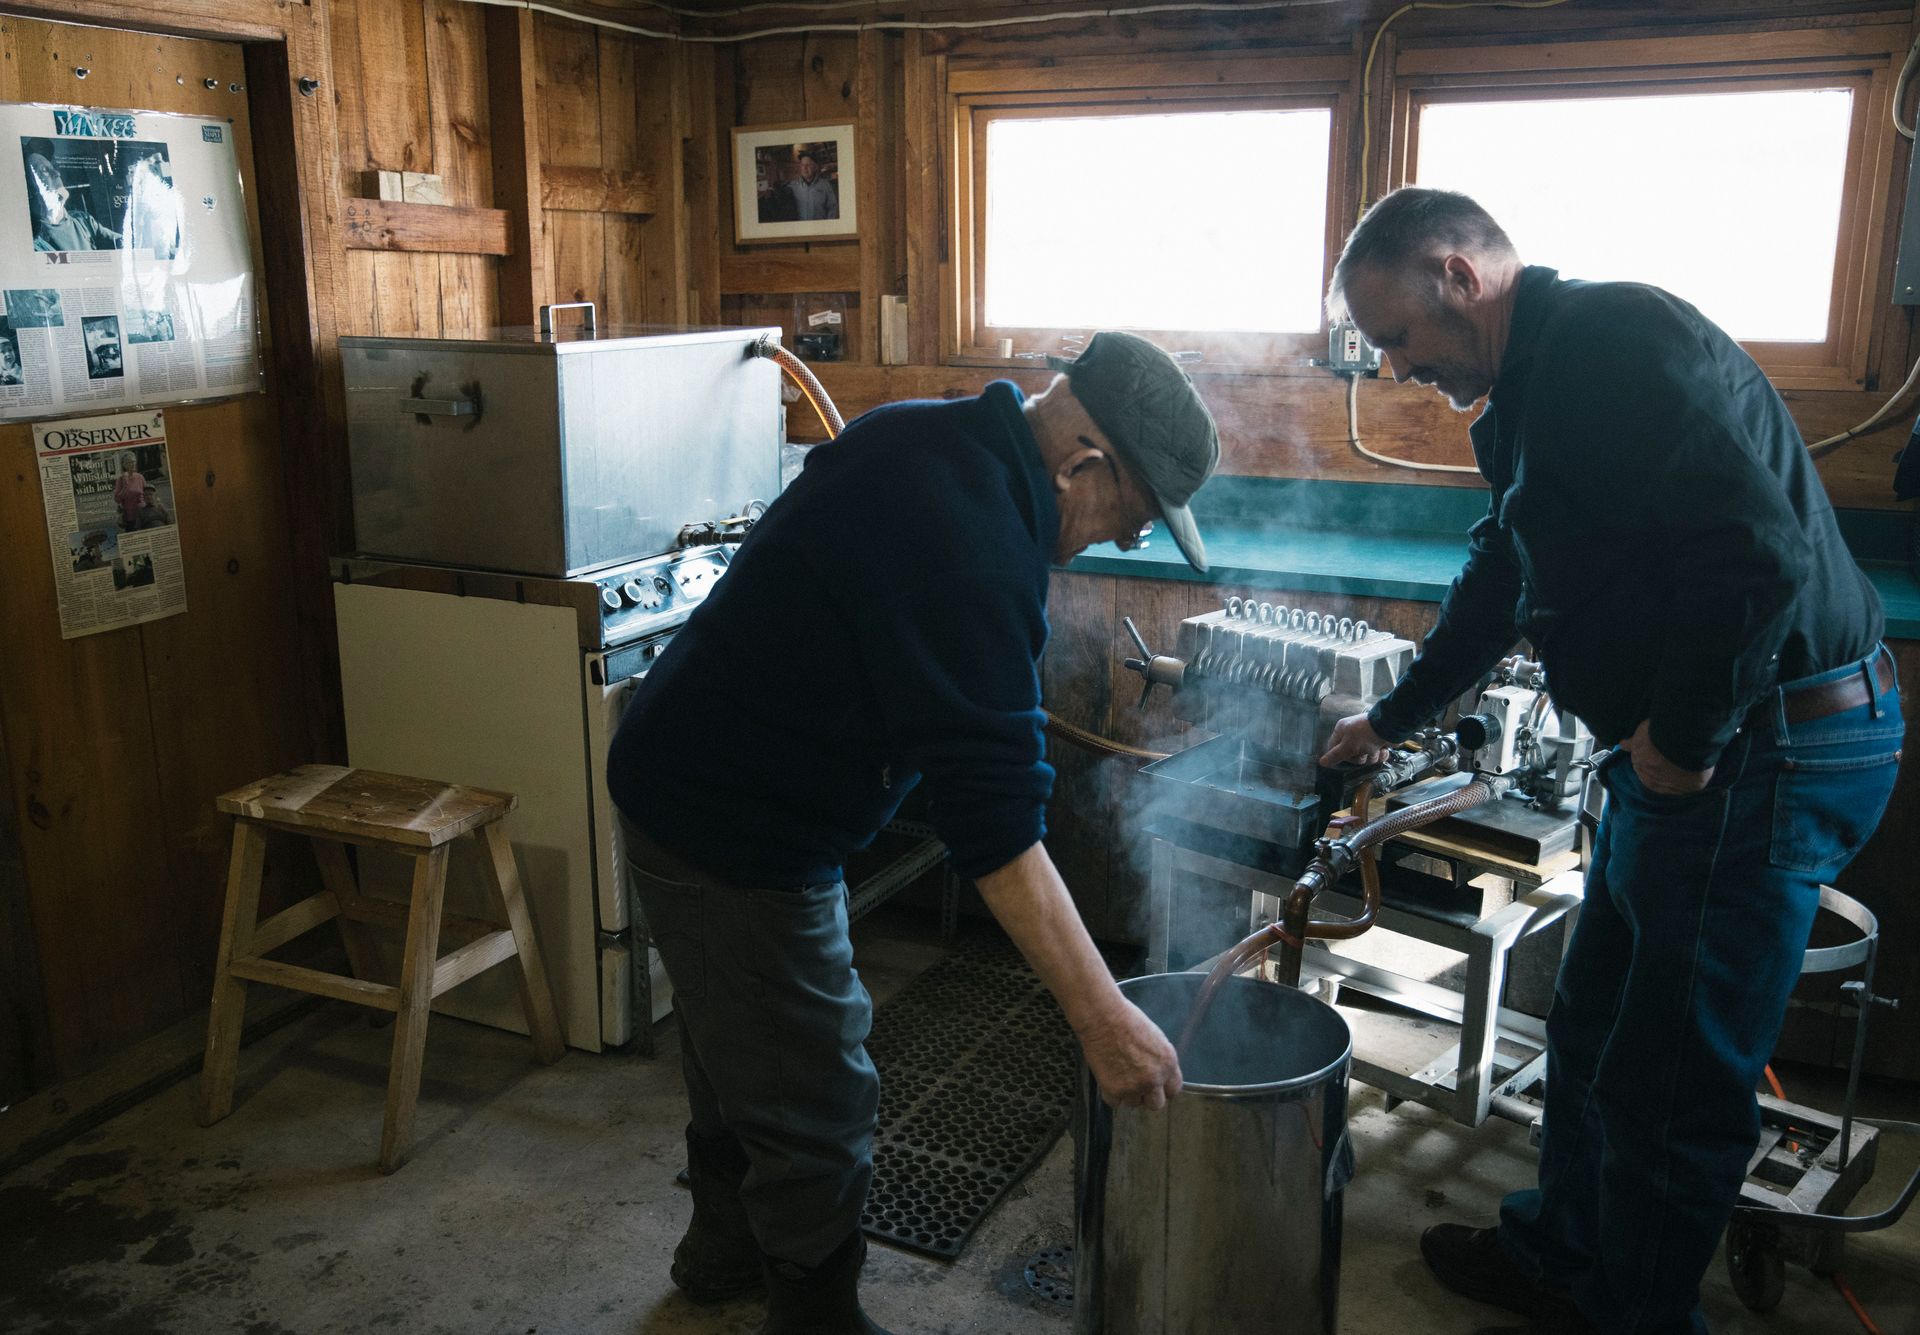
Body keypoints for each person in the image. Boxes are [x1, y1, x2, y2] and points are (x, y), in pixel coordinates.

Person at [1318, 186, 1901, 1335]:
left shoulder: (1614, 343)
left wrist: (1682, 743)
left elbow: (1757, 555)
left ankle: (1630, 1314)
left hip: (1764, 749)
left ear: (1458, 275)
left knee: (1671, 1083)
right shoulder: (1532, 392)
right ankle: (1560, 1256)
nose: (1395, 369)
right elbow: (1505, 575)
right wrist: (1394, 718)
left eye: (1399, 338)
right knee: (1592, 1024)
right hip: (1698, 761)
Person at [607, 331, 1219, 1335]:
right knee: (819, 1092)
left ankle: (722, 1251)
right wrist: (1102, 1017)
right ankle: (815, 1313)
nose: (1121, 541)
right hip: (731, 823)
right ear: (1083, 462)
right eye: (1136, 519)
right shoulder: (971, 537)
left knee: (739, 1039)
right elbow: (998, 831)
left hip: (680, 771)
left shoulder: (933, 439)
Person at [27, 153, 120, 252]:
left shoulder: (84, 220)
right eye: (44, 170)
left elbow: (120, 241)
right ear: (30, 190)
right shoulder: (35, 243)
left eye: (53, 168)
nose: (57, 173)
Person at [785, 147, 838, 222]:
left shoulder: (825, 185)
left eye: (808, 165)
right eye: (802, 165)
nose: (804, 168)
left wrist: (828, 226)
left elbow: (833, 207)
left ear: (815, 167)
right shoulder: (793, 186)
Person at [113, 451, 146, 533]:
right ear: (124, 465)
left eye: (134, 461)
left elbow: (147, 494)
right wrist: (125, 487)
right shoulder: (120, 479)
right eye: (129, 462)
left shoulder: (140, 477)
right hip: (130, 519)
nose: (133, 464)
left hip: (143, 515)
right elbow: (117, 500)